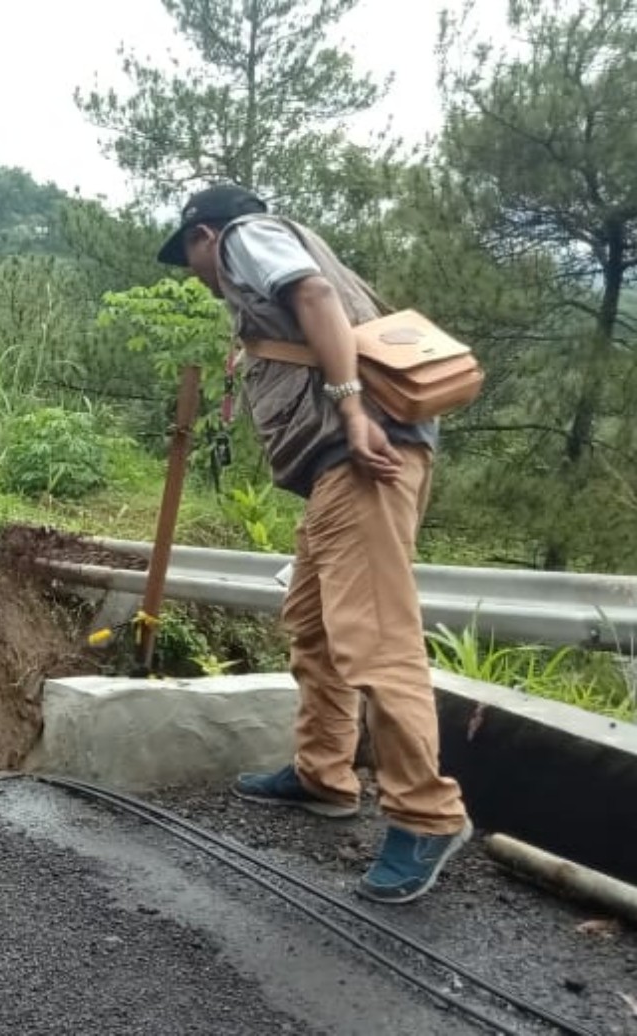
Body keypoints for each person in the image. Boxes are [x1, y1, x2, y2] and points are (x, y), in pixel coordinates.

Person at [158, 183, 470, 904]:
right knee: (312, 624)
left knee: (375, 640)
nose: (198, 274)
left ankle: (427, 813)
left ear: (204, 236)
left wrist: (351, 410)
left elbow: (316, 297)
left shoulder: (244, 237)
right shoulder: (274, 245)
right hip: (349, 468)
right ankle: (323, 773)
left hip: (360, 457)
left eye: (189, 257)